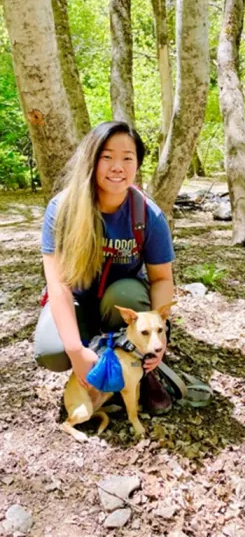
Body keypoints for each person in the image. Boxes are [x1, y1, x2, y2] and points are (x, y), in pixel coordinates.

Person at [33, 120, 176, 414]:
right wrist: (75, 350)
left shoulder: (148, 215)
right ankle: (89, 363)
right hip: (76, 300)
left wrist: (161, 338)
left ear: (137, 164)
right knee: (53, 352)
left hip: (120, 303)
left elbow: (161, 278)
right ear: (91, 159)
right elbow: (57, 285)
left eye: (128, 158)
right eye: (107, 156)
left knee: (126, 293)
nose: (117, 166)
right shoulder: (62, 209)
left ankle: (144, 370)